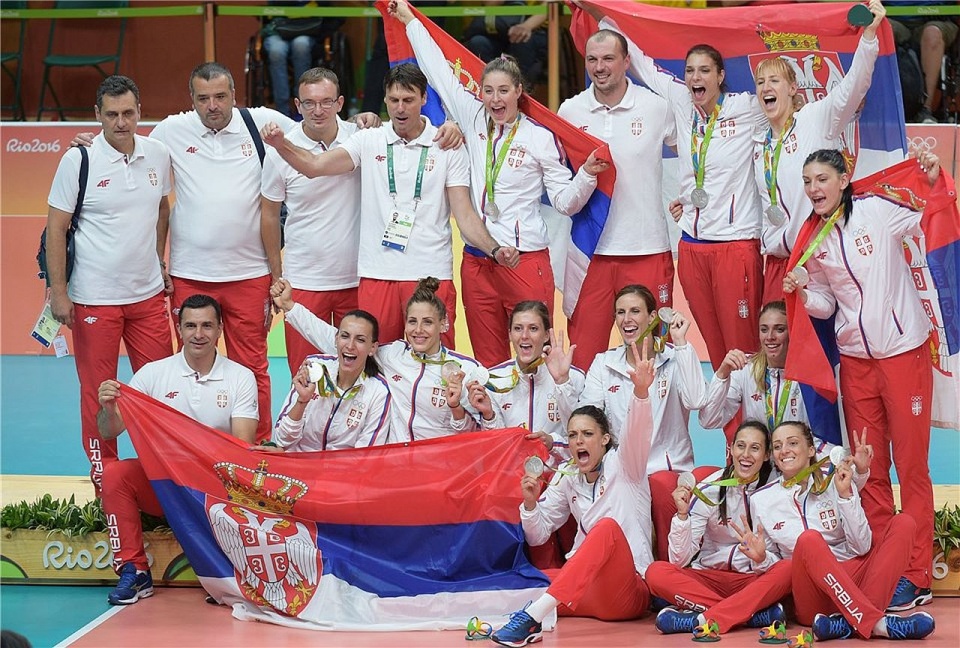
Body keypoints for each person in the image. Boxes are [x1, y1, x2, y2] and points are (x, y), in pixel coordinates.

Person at [390, 0, 609, 368]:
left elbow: (565, 203)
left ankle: (537, 427)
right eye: (488, 91)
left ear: (519, 91)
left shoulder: (540, 138)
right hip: (478, 261)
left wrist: (586, 174)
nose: (495, 99)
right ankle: (500, 428)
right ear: (480, 93)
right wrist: (410, 19)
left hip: (525, 261)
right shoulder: (471, 116)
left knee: (535, 362)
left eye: (503, 90)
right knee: (488, 365)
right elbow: (436, 67)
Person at [260, 63, 519, 348]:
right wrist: (280, 144)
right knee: (377, 366)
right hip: (377, 274)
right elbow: (314, 166)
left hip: (430, 274)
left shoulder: (446, 145)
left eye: (408, 100)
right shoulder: (368, 140)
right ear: (385, 99)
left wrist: (493, 248)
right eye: (394, 100)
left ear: (424, 99)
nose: (400, 108)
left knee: (435, 365)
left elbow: (465, 214)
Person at [783, 148, 942, 613]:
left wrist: (931, 177)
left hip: (902, 354)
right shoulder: (813, 238)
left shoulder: (877, 211)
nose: (814, 188)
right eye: (808, 180)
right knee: (868, 468)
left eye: (822, 179)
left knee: (911, 466)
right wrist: (804, 290)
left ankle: (915, 574)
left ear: (844, 178)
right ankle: (882, 562)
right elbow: (828, 305)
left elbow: (926, 211)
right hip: (856, 361)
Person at [583, 2, 764, 374]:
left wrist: (866, 43)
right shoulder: (681, 100)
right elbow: (642, 61)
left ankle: (757, 432)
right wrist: (601, 10)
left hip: (737, 244)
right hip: (693, 246)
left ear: (720, 76)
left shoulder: (747, 107)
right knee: (717, 357)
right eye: (690, 71)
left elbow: (794, 101)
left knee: (745, 353)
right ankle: (734, 433)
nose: (696, 78)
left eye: (704, 71)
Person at [144, 62, 296, 442]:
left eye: (220, 96)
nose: (212, 105)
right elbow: (129, 149)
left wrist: (362, 123)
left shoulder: (261, 122)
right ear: (191, 100)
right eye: (203, 98)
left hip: (249, 274)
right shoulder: (171, 131)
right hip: (190, 273)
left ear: (234, 94)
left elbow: (318, 133)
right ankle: (192, 448)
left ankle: (258, 448)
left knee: (252, 366)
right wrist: (90, 143)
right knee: (191, 366)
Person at [46, 75, 173, 495]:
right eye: (113, 114)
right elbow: (56, 229)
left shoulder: (156, 153)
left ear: (140, 111)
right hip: (93, 299)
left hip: (149, 297)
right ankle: (106, 477)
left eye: (129, 113)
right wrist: (59, 292)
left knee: (161, 390)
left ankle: (163, 475)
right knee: (97, 395)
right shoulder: (78, 161)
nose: (122, 122)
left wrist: (159, 259)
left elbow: (160, 209)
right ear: (97, 115)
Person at [489, 340, 655, 648]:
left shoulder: (626, 463)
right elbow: (538, 536)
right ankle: (503, 620)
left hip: (626, 593)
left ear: (605, 439)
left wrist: (642, 393)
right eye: (573, 435)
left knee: (606, 529)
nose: (579, 441)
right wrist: (529, 505)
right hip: (584, 593)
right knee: (525, 579)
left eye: (588, 434)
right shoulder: (567, 476)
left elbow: (638, 430)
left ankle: (531, 616)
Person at [96, 294, 258, 606]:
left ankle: (230, 571)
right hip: (164, 487)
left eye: (207, 325)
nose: (199, 334)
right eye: (191, 325)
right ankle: (135, 570)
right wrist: (107, 407)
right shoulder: (153, 374)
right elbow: (108, 430)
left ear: (220, 329)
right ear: (179, 329)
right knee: (116, 473)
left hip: (213, 490)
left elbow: (241, 449)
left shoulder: (240, 377)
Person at [747, 422, 935, 642]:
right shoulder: (761, 500)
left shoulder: (836, 479)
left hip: (854, 580)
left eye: (793, 443)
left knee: (904, 523)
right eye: (777, 446)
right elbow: (777, 567)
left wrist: (845, 496)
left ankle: (844, 624)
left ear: (810, 450)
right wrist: (761, 558)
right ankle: (876, 623)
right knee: (808, 540)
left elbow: (861, 547)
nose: (784, 450)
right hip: (813, 596)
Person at [557, 28, 676, 369]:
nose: (600, 67)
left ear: (626, 61)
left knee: (651, 361)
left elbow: (696, 150)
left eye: (608, 58)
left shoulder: (656, 108)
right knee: (581, 361)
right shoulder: (570, 111)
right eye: (592, 60)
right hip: (590, 252)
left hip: (647, 251)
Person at [754, 0, 885, 302]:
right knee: (777, 346)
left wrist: (868, 38)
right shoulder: (759, 143)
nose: (765, 87)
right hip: (777, 263)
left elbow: (853, 87)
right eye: (760, 82)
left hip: (819, 257)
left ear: (792, 88)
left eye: (774, 80)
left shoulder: (815, 118)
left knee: (821, 345)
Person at [578, 284, 709, 561]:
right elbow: (587, 415)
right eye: (620, 312)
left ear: (652, 318)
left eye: (635, 311)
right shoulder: (604, 363)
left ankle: (667, 573)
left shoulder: (675, 358)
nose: (626, 319)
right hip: (622, 470)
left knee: (661, 486)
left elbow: (697, 400)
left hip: (666, 468)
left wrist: (683, 344)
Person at [273, 276, 487, 441]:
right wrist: (290, 307)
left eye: (428, 322)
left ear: (443, 324)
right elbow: (340, 341)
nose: (418, 330)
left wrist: (456, 407)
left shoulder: (467, 370)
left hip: (442, 468)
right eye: (412, 321)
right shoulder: (392, 355)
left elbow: (479, 435)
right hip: (396, 466)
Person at [645, 421, 791, 641]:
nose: (746, 454)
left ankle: (699, 619)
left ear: (767, 454)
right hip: (708, 579)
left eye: (755, 448)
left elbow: (777, 557)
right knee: (656, 572)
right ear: (730, 449)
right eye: (740, 446)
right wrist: (682, 516)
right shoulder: (708, 489)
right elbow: (679, 559)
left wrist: (761, 558)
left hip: (751, 580)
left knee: (788, 569)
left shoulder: (777, 490)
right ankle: (746, 615)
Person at [260, 67, 362, 377]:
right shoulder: (279, 149)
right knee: (307, 377)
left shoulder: (361, 139)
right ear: (297, 104)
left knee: (361, 374)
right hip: (304, 281)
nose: (318, 110)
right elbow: (268, 214)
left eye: (326, 102)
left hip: (357, 278)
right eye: (309, 103)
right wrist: (277, 274)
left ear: (340, 102)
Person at [698, 300, 836, 454]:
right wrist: (722, 375)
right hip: (758, 467)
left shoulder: (809, 376)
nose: (770, 337)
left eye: (779, 329)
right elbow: (708, 420)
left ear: (792, 331)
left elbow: (821, 435)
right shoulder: (746, 371)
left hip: (797, 466)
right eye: (764, 329)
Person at [473, 301, 585, 462]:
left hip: (560, 479)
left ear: (546, 335)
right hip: (511, 475)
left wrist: (553, 443)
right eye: (518, 328)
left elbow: (584, 439)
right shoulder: (494, 380)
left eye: (533, 328)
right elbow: (494, 447)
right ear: (510, 334)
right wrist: (489, 416)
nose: (524, 336)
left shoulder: (574, 377)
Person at [272, 310, 391, 451]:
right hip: (299, 464)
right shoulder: (313, 367)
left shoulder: (379, 392)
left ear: (372, 348)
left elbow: (365, 456)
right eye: (345, 336)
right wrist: (302, 401)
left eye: (360, 340)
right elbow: (282, 440)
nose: (350, 345)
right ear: (336, 339)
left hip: (343, 470)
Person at [888, 0, 959, 124]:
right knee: (881, 31)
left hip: (938, 17)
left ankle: (926, 110)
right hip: (894, 17)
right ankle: (885, 107)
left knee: (933, 33)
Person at [462, 1, 548, 91]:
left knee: (522, 41)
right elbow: (490, 3)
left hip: (536, 30)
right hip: (500, 28)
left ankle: (519, 92)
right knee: (478, 42)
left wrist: (526, 26)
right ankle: (489, 88)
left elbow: (550, 5)